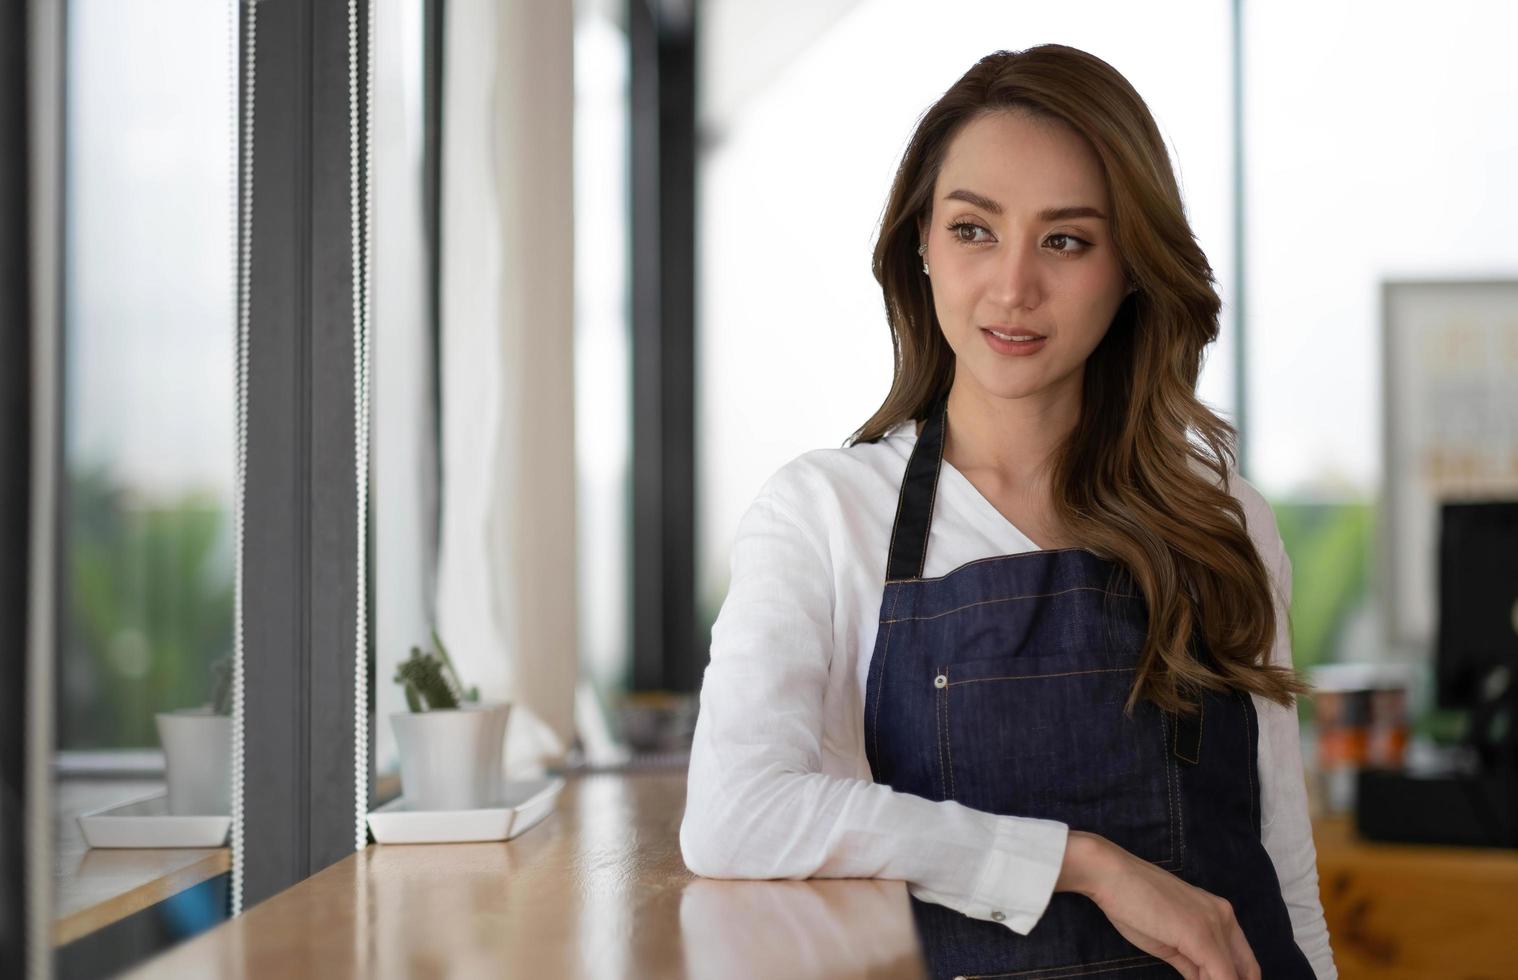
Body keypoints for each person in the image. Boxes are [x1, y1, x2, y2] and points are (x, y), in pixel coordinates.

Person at [680, 44, 1337, 980]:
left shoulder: (1222, 518)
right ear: (921, 244)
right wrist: (1087, 866)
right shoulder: (825, 514)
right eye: (974, 230)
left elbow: (1283, 857)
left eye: (1066, 239)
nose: (1013, 288)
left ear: (1132, 268)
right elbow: (735, 812)